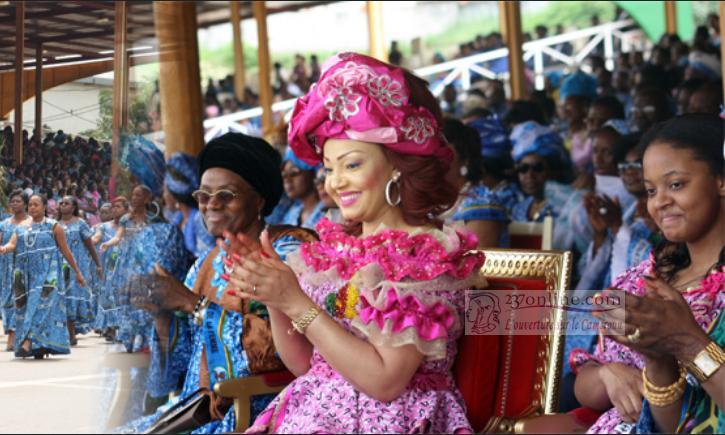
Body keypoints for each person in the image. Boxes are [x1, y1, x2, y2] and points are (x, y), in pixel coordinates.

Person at [228, 52, 486, 434]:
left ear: (398, 165)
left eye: (351, 165)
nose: (335, 183)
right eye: (329, 169)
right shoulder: (337, 252)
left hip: (393, 422)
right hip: (316, 416)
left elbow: (385, 382)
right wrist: (276, 296)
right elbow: (305, 364)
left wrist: (296, 300)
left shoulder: (424, 258)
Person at [122, 132, 316, 433]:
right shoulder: (206, 263)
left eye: (225, 195)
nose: (210, 205)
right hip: (195, 411)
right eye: (203, 195)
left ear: (260, 199)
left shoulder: (291, 251)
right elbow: (176, 373)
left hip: (260, 410)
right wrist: (162, 316)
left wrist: (193, 304)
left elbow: (281, 351)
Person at [571, 114, 724, 433]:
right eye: (651, 190)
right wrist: (612, 372)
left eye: (676, 185)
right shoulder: (644, 279)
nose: (660, 203)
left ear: (721, 180)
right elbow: (584, 382)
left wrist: (689, 342)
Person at [0, 194, 85, 359]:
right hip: (26, 275)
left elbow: (66, 251)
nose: (32, 208)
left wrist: (78, 273)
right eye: (30, 205)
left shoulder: (54, 226)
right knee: (27, 308)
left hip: (48, 274)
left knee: (40, 306)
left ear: (45, 207)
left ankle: (28, 341)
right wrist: (4, 248)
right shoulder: (21, 227)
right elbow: (12, 244)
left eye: (36, 205)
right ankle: (39, 345)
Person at [444, 118, 509, 248]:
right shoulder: (426, 201)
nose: (432, 159)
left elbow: (477, 265)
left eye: (443, 152)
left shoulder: (483, 206)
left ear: (465, 159)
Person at [58, 195, 102, 343]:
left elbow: (90, 245)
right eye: (61, 203)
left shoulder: (80, 223)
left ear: (73, 207)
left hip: (78, 265)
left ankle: (72, 333)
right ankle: (68, 332)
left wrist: (97, 264)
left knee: (74, 296)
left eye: (66, 203)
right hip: (60, 265)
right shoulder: (54, 224)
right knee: (62, 296)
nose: (63, 205)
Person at [164, 152, 216, 258]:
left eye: (165, 190)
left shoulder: (200, 221)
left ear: (175, 194)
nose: (163, 195)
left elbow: (208, 260)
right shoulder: (179, 217)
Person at [92, 197, 128, 340]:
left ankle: (123, 327)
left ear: (125, 209)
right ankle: (110, 326)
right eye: (113, 207)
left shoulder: (130, 225)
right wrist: (90, 240)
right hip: (109, 265)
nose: (115, 209)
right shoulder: (103, 226)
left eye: (118, 207)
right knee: (107, 292)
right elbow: (96, 238)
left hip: (126, 264)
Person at [0, 189, 32, 351]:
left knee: (20, 301)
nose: (14, 204)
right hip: (6, 270)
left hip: (26, 269)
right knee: (6, 303)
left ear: (26, 204)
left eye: (18, 201)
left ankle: (15, 337)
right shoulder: (4, 224)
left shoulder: (33, 222)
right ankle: (12, 334)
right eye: (12, 201)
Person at [273, 148, 324, 230]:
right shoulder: (292, 213)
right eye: (284, 176)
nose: (287, 180)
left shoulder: (327, 212)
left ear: (313, 174)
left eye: (294, 173)